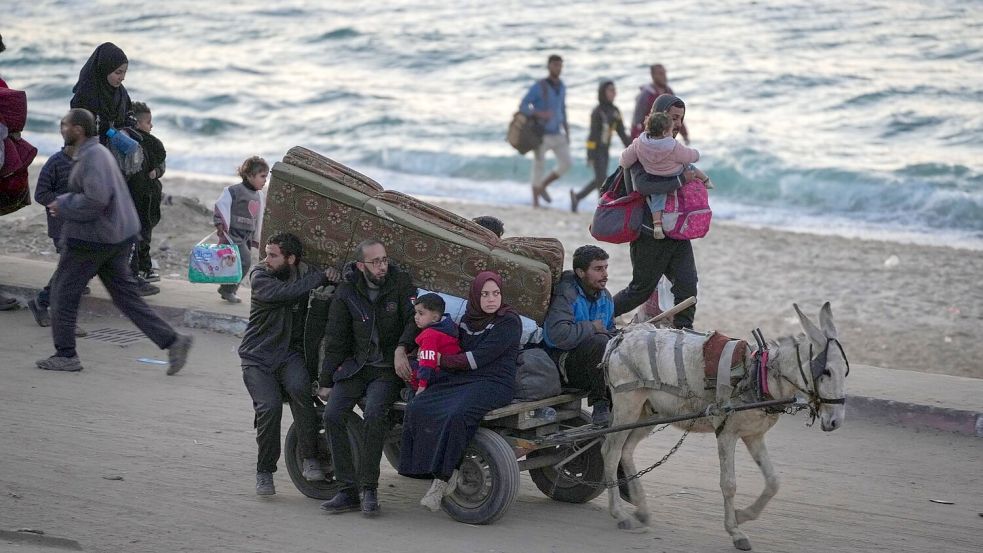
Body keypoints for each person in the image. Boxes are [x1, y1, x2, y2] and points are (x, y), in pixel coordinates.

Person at [37, 108, 192, 374]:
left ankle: (66, 355)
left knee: (63, 293)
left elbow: (96, 199)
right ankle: (173, 341)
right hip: (116, 236)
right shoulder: (96, 153)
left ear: (78, 129)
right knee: (126, 298)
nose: (62, 129)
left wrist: (62, 203)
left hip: (92, 239)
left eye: (65, 125)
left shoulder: (92, 157)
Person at [398, 271, 521, 512]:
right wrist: (415, 353)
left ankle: (444, 478)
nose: (490, 299)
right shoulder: (466, 320)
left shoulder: (509, 321)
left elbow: (479, 357)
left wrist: (440, 360)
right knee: (419, 405)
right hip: (465, 379)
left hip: (495, 382)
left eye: (495, 293)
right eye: (484, 294)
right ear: (475, 296)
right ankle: (424, 468)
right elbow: (441, 337)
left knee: (456, 414)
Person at [316, 239, 418, 517]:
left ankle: (369, 489)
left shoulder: (400, 283)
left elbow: (414, 320)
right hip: (356, 367)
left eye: (384, 259)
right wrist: (326, 381)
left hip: (387, 369)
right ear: (361, 265)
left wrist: (401, 349)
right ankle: (347, 490)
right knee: (332, 415)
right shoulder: (347, 291)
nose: (382, 266)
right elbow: (336, 338)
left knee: (375, 414)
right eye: (376, 262)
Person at [238, 232, 340, 496]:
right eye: (266, 253)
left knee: (301, 389)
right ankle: (264, 471)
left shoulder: (305, 276)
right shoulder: (260, 277)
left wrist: (334, 275)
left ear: (291, 259)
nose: (266, 259)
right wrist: (319, 278)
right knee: (270, 408)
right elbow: (284, 293)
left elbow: (329, 283)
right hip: (257, 357)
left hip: (288, 356)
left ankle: (309, 458)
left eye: (273, 255)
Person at [613, 94, 699, 329]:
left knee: (688, 285)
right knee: (640, 290)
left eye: (680, 118)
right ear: (660, 116)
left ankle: (684, 330)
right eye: (673, 118)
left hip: (676, 232)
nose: (677, 124)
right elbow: (642, 186)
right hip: (649, 233)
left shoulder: (673, 149)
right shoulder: (644, 149)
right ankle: (599, 315)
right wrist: (682, 180)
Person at [542, 245, 615, 426]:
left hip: (594, 365)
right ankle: (600, 403)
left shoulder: (606, 297)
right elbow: (556, 336)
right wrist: (592, 327)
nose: (604, 274)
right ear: (581, 272)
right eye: (598, 269)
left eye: (605, 268)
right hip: (563, 366)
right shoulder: (566, 294)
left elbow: (610, 329)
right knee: (599, 342)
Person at [28, 142, 89, 333]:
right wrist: (64, 203)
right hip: (61, 226)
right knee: (71, 272)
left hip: (81, 225)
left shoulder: (87, 162)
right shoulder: (55, 163)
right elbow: (41, 194)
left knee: (73, 271)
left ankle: (42, 302)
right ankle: (58, 314)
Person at [620, 111, 709, 239]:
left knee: (657, 199)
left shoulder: (639, 143)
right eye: (670, 130)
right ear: (664, 132)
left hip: (654, 177)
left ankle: (657, 226)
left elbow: (624, 160)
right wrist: (697, 154)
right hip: (673, 174)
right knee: (689, 167)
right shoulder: (672, 146)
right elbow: (689, 156)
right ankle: (705, 179)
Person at [570, 80, 631, 213]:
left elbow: (621, 132)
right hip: (596, 151)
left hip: (605, 150)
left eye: (615, 90)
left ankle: (578, 197)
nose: (614, 93)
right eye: (610, 90)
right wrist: (590, 155)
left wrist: (633, 147)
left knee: (600, 179)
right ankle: (601, 209)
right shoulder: (597, 112)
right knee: (601, 180)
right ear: (603, 92)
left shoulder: (615, 111)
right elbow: (592, 135)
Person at [519, 54, 571, 208]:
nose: (558, 68)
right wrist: (539, 113)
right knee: (538, 165)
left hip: (557, 132)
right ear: (549, 66)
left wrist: (567, 130)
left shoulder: (562, 86)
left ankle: (543, 185)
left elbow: (563, 109)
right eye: (555, 65)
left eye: (560, 65)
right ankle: (535, 202)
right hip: (541, 134)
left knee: (567, 163)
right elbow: (523, 105)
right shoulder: (539, 86)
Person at [213, 156, 267, 303]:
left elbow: (259, 215)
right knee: (245, 261)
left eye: (266, 177)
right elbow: (221, 205)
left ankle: (226, 288)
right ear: (250, 175)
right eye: (262, 176)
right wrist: (219, 222)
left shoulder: (259, 195)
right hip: (233, 235)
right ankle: (228, 290)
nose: (265, 180)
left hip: (247, 235)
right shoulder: (234, 191)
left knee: (236, 262)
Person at [127, 101, 166, 283]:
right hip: (135, 197)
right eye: (148, 122)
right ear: (137, 123)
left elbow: (161, 164)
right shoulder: (128, 141)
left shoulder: (153, 144)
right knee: (138, 236)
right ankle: (141, 268)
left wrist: (156, 172)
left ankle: (144, 267)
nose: (152, 126)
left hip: (150, 197)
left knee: (145, 235)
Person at [70, 42, 132, 145]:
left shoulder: (121, 93)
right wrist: (113, 134)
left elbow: (129, 115)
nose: (122, 77)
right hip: (90, 150)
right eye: (118, 72)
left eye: (124, 72)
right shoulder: (85, 95)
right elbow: (87, 129)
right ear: (105, 69)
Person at [408, 293, 461, 395]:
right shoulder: (449, 326)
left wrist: (422, 386)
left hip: (438, 373)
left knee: (408, 366)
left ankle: (414, 392)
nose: (416, 317)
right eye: (415, 313)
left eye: (421, 313)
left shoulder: (429, 335)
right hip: (452, 372)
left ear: (435, 318)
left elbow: (427, 361)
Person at [630, 64, 688, 143]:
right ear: (653, 75)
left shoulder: (668, 91)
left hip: (667, 136)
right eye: (660, 74)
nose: (664, 76)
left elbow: (677, 113)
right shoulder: (646, 94)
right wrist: (634, 141)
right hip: (649, 139)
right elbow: (636, 120)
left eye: (664, 73)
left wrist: (684, 134)